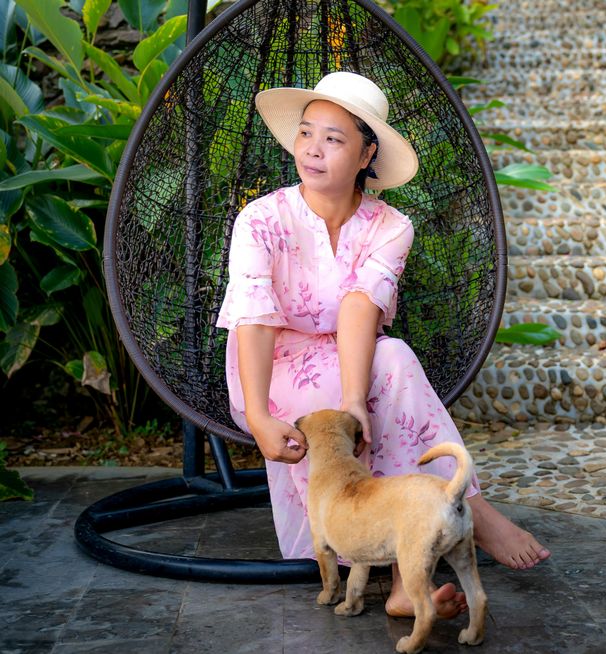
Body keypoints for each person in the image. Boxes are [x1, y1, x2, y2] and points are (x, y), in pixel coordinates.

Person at [217, 72, 549, 617]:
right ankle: (463, 520)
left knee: (389, 360)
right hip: (271, 368)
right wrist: (255, 414)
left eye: (333, 138)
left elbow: (358, 308)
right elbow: (253, 319)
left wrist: (351, 400)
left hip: (354, 356)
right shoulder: (261, 219)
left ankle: (403, 584)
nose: (312, 150)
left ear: (367, 152)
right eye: (305, 133)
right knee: (389, 372)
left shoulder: (391, 225)